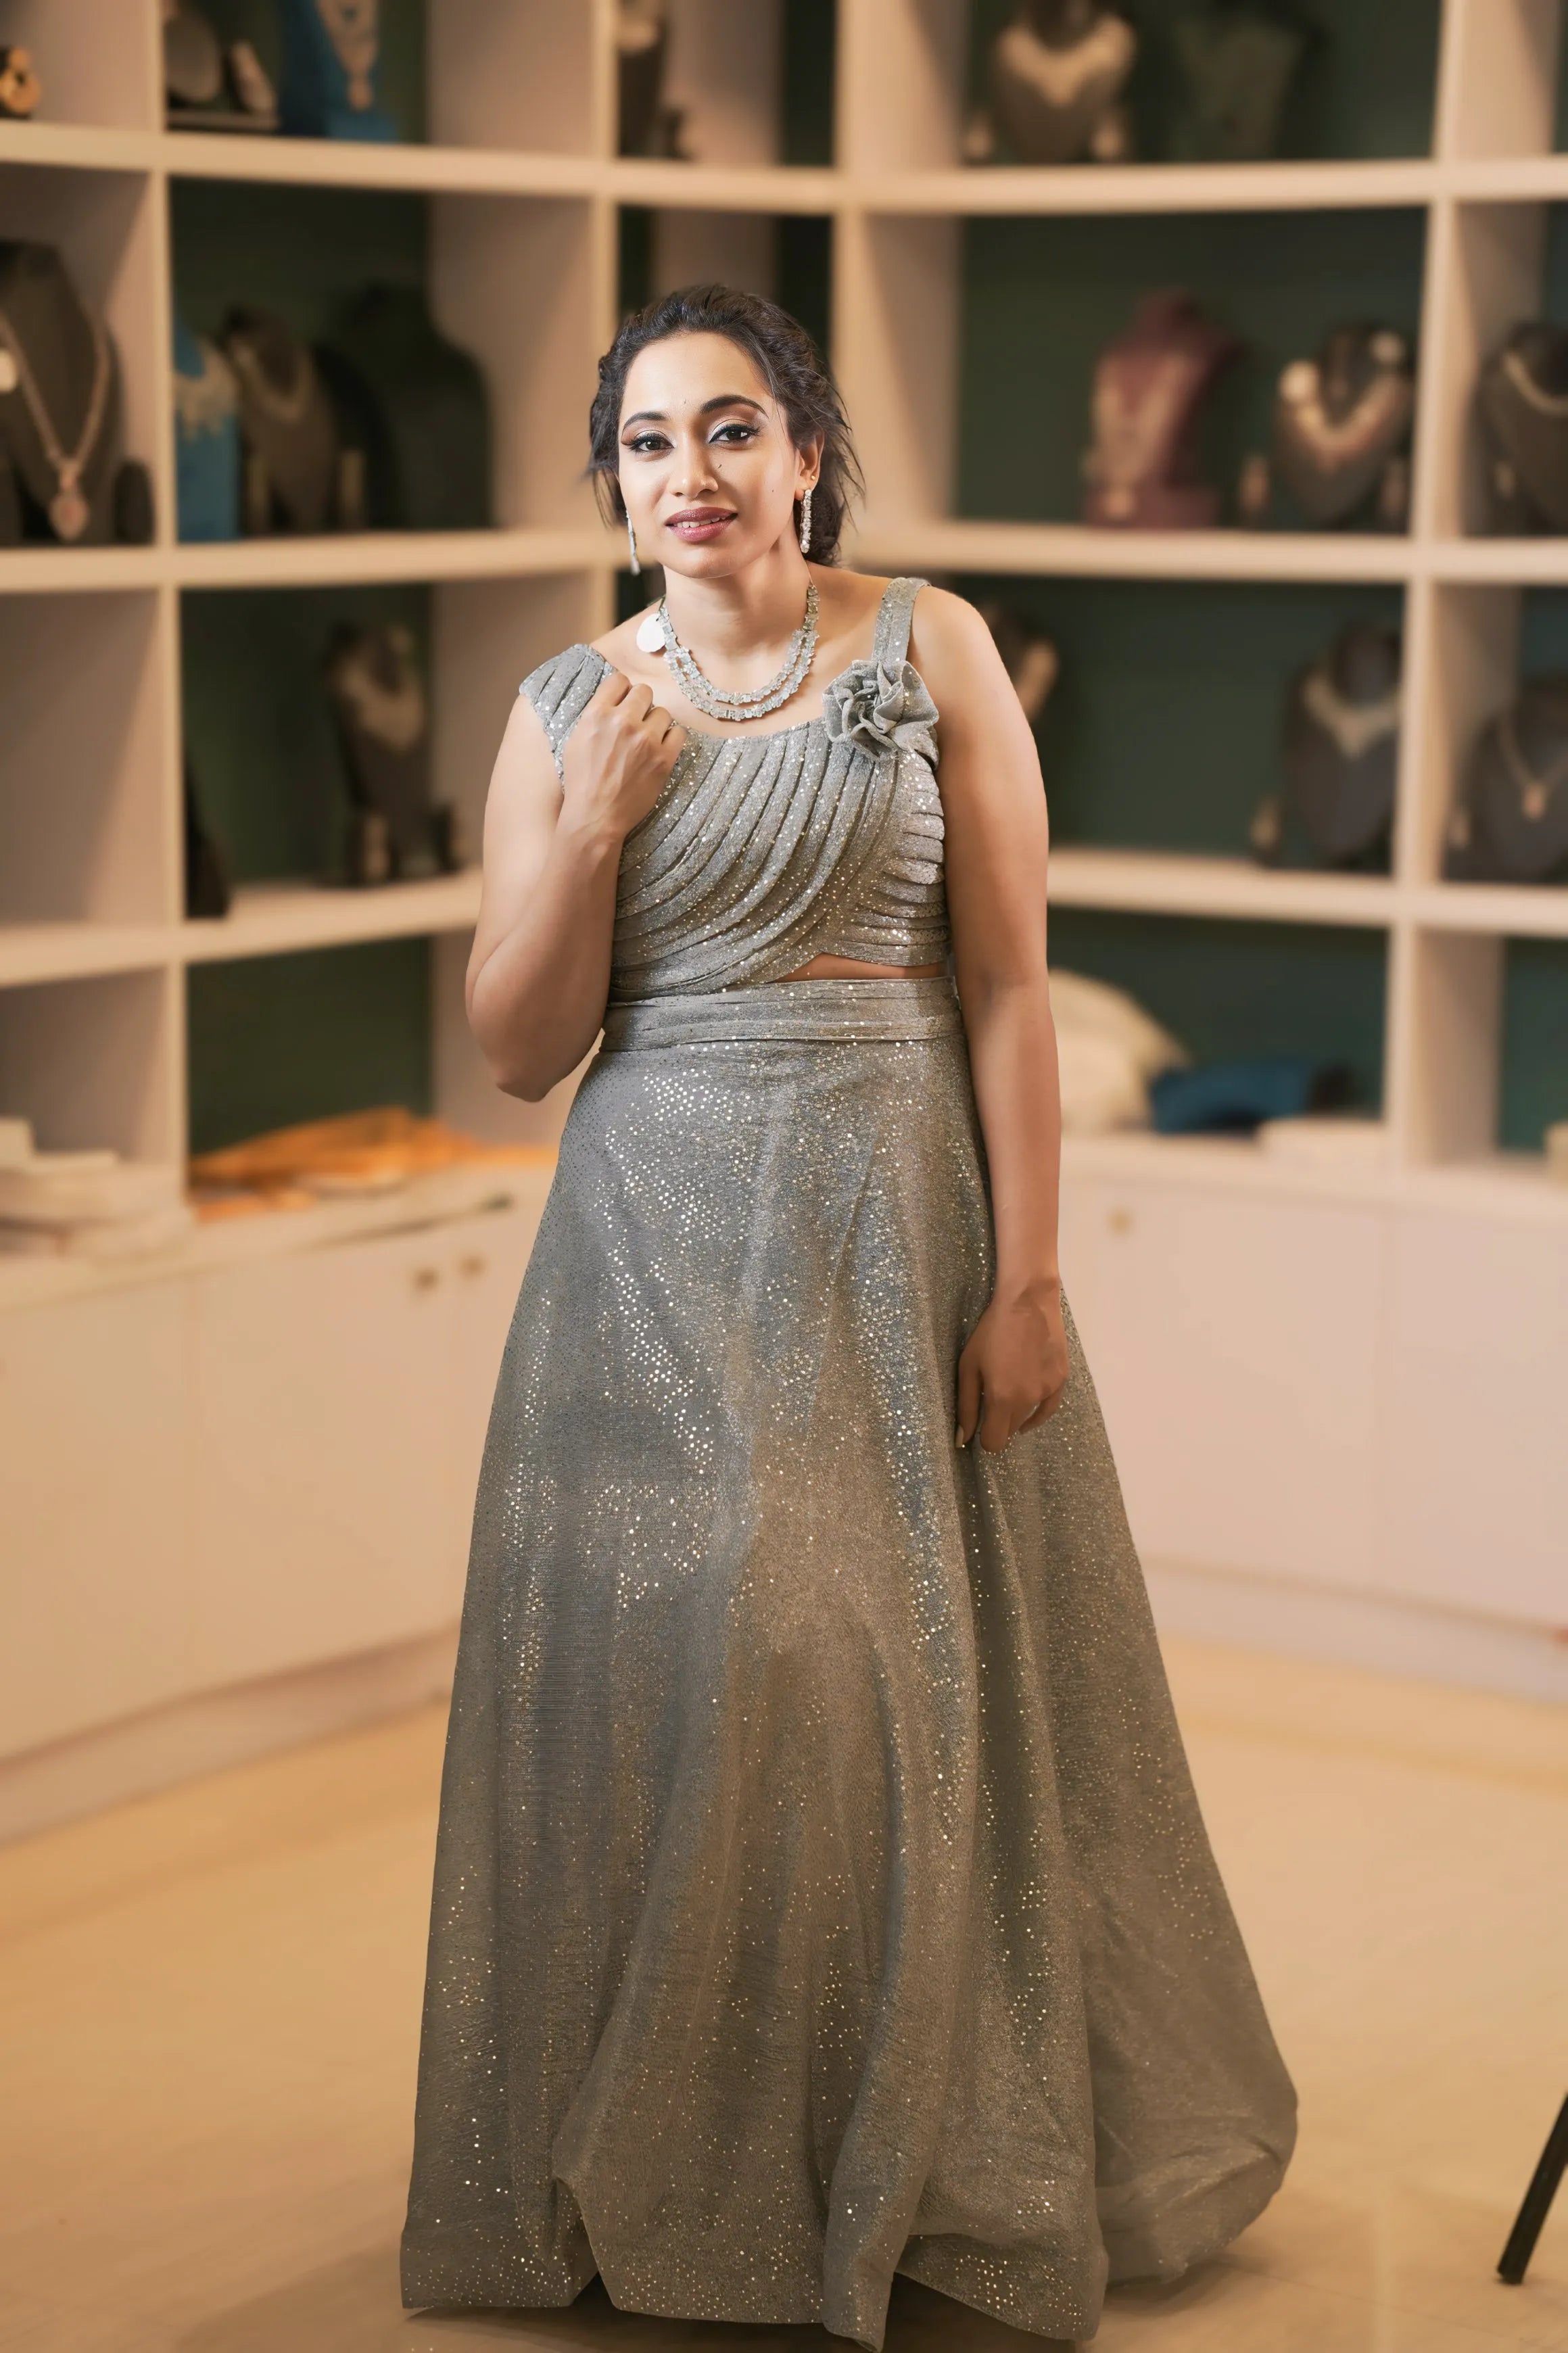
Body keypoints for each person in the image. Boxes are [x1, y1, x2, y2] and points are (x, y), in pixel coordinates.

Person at [400, 284, 1295, 2350]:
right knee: (711, 1696)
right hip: (651, 1257)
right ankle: (692, 2166)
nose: (688, 477)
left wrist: (1034, 1274)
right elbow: (519, 1046)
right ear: (614, 482)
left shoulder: (934, 645)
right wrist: (602, 825)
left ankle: (916, 2158)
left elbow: (1002, 981)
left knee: (877, 1679)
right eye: (645, 443)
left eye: (730, 430)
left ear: (807, 449)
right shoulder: (564, 710)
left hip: (899, 1226)